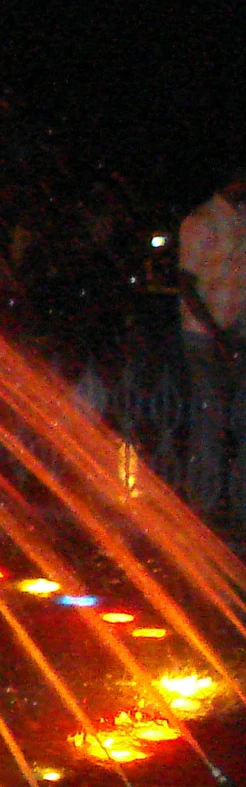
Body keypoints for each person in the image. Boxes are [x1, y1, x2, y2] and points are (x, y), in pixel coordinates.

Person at [177, 167, 246, 521]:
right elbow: (186, 282)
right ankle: (202, 503)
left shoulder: (240, 218)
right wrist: (215, 331)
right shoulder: (201, 221)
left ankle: (235, 502)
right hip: (205, 335)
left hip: (236, 329)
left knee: (236, 418)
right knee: (211, 419)